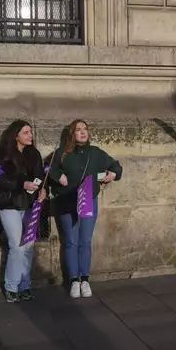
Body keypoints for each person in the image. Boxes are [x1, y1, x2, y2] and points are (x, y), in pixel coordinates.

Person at [49, 119, 123, 298]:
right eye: (78, 130)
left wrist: (113, 173)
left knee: (85, 241)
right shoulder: (62, 153)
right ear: (71, 134)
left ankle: (85, 279)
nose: (83, 132)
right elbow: (48, 169)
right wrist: (58, 176)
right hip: (67, 201)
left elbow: (116, 166)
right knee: (70, 242)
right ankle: (73, 280)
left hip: (88, 201)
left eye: (85, 129)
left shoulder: (95, 153)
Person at [0, 120, 46, 303]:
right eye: (26, 132)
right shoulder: (1, 155)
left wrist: (43, 191)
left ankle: (24, 286)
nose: (30, 136)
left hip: (30, 205)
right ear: (15, 135)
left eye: (30, 132)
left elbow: (40, 177)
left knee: (27, 247)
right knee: (17, 246)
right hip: (9, 205)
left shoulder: (34, 154)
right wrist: (21, 184)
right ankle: (11, 286)